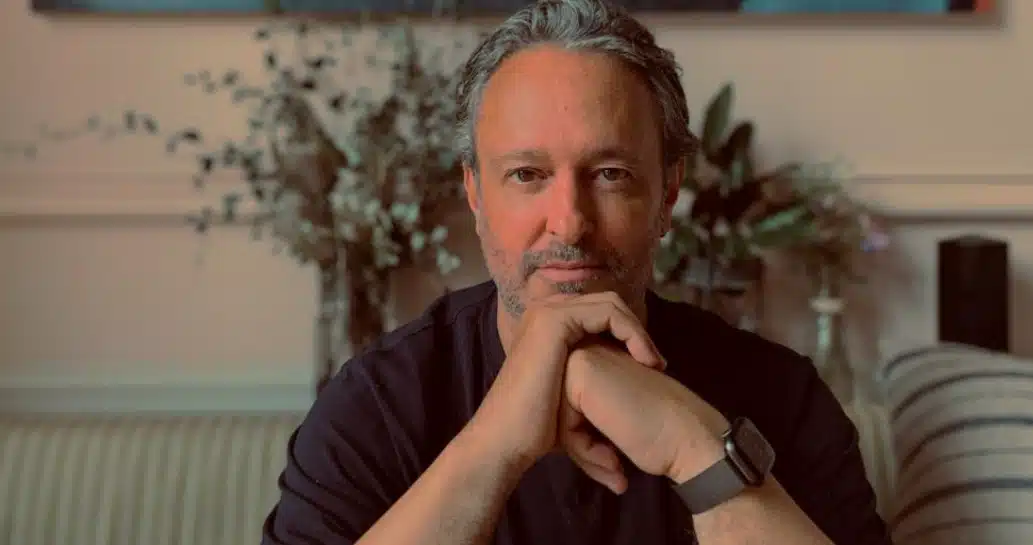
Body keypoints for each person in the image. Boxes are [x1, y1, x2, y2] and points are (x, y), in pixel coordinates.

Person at [260, 0, 892, 543]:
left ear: (668, 194)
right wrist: (495, 443)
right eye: (527, 174)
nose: (569, 223)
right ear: (475, 193)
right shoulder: (375, 406)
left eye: (610, 174)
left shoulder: (783, 397)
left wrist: (693, 445)